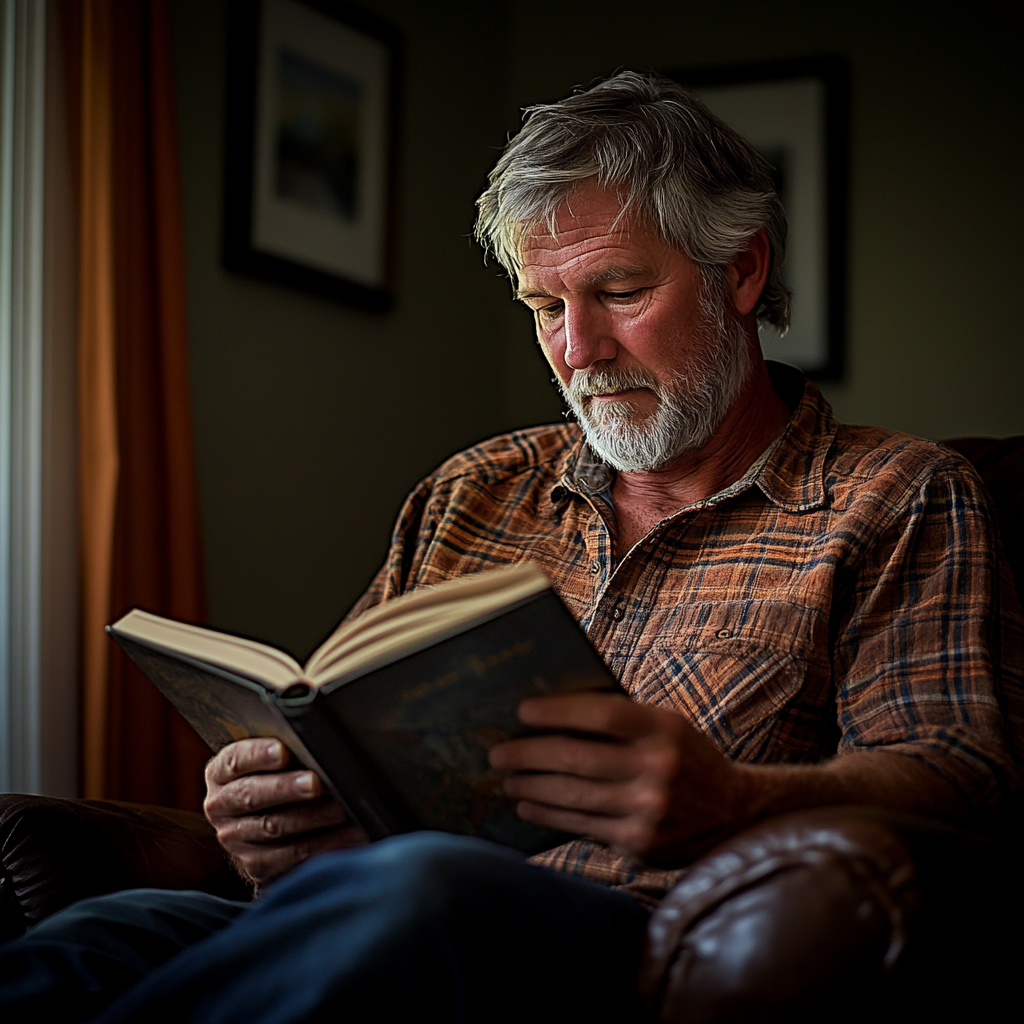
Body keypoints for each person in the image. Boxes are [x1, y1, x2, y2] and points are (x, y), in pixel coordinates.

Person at [3, 71, 1022, 1022]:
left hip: (627, 947)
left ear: (741, 268)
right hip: (364, 918)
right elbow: (339, 725)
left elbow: (958, 777)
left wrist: (734, 801)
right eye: (545, 307)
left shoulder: (898, 497)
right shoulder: (475, 490)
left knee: (422, 889)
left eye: (620, 293)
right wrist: (272, 808)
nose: (576, 352)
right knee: (101, 933)